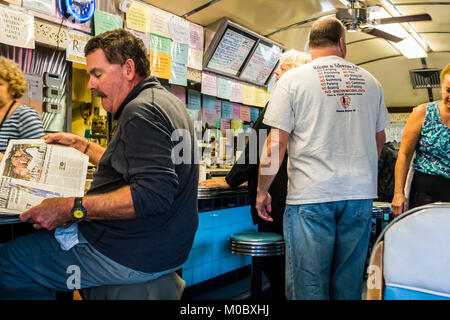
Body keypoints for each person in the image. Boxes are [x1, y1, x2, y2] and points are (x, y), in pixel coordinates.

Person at [0, 29, 199, 299]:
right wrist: (81, 145)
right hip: (164, 248)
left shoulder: (139, 111)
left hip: (129, 252)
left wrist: (71, 209)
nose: (91, 84)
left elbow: (151, 196)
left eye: (97, 74)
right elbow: (134, 163)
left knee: (8, 262)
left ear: (128, 69)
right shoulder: (168, 103)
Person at [255, 17, 390, 300]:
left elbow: (276, 143)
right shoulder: (372, 82)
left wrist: (262, 190)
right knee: (349, 286)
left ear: (310, 44)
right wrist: (361, 174)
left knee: (309, 289)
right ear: (342, 43)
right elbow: (380, 140)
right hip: (358, 198)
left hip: (310, 197)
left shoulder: (292, 81)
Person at [199, 49, 311, 299]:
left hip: (277, 195)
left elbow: (259, 145)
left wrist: (231, 180)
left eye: (280, 71)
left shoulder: (282, 100)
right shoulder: (309, 101)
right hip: (304, 194)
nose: (276, 76)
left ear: (292, 72)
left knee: (275, 263)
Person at [391, 64, 450, 217]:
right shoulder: (423, 113)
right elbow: (404, 154)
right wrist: (398, 193)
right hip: (425, 191)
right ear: (441, 88)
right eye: (448, 90)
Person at [0, 57, 45, 160]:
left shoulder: (25, 115)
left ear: (12, 88)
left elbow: (39, 159)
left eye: (0, 84)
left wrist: (2, 158)